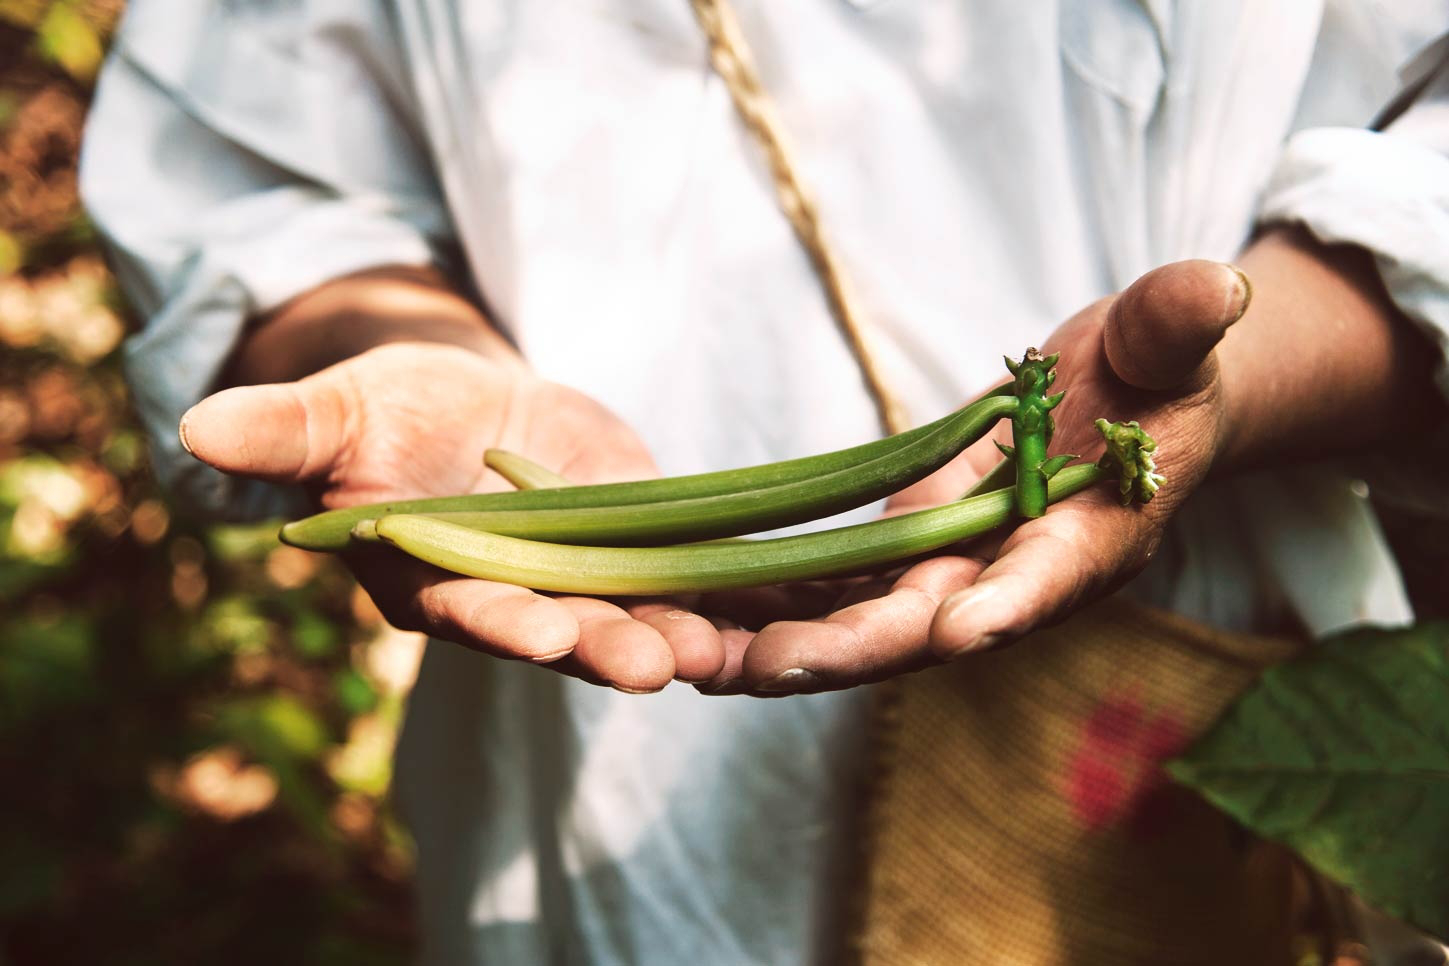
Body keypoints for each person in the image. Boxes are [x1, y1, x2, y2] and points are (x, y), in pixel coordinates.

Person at [81, 1, 1449, 962]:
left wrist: (1241, 369)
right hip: (590, 771)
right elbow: (264, 168)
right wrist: (393, 345)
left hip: (1158, 679)